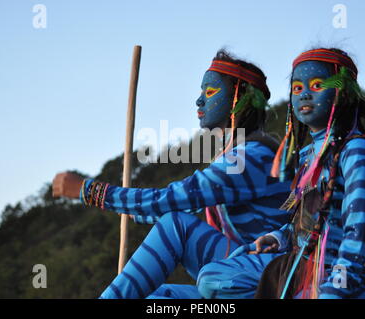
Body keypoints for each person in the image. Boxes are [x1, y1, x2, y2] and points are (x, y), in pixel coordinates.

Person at [52, 49, 291, 299]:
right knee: (160, 297)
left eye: (209, 92)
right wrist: (135, 210)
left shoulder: (251, 156)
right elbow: (179, 203)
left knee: (176, 225)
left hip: (260, 271)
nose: (199, 101)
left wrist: (89, 191)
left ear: (237, 98)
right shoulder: (239, 153)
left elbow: (178, 198)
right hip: (237, 263)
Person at [197, 48, 365, 299]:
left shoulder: (357, 151)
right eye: (296, 88)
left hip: (351, 277)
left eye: (316, 85)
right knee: (213, 278)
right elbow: (296, 217)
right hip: (304, 266)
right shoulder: (305, 157)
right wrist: (277, 237)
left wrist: (339, 285)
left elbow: (358, 229)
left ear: (343, 92)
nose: (304, 94)